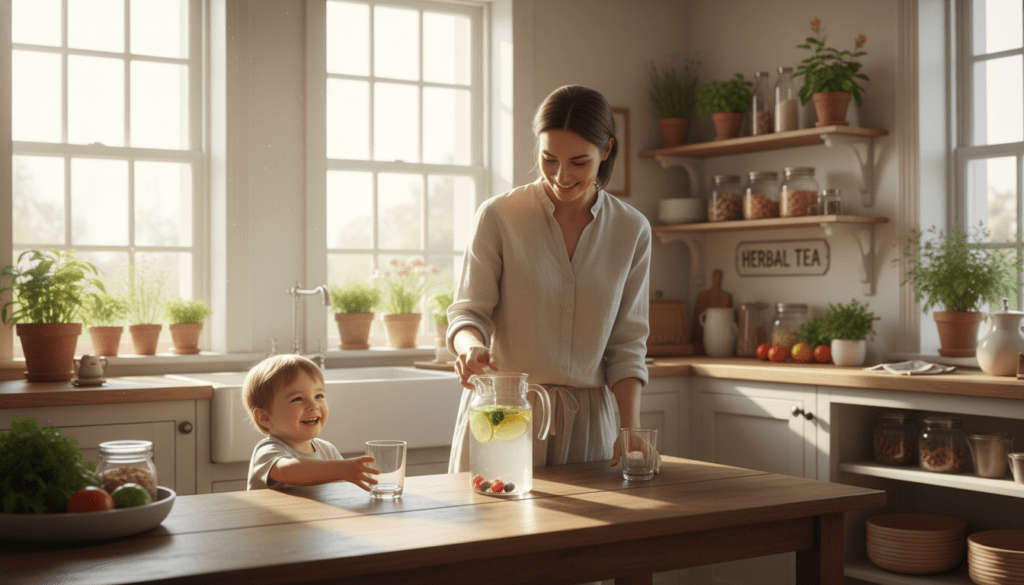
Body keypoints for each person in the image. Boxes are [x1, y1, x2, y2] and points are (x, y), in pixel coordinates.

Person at [446, 84, 658, 473]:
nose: (562, 176)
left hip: (590, 423)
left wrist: (631, 428)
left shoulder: (632, 230)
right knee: (492, 525)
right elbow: (467, 315)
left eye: (579, 162)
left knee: (586, 534)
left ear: (606, 151)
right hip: (506, 409)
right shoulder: (499, 216)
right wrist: (469, 347)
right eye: (549, 159)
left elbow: (628, 344)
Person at [244, 354, 379, 490]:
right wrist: (340, 469)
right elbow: (287, 470)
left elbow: (341, 491)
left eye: (318, 396)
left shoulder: (328, 451)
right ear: (265, 417)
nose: (313, 405)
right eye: (298, 399)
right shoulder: (268, 451)